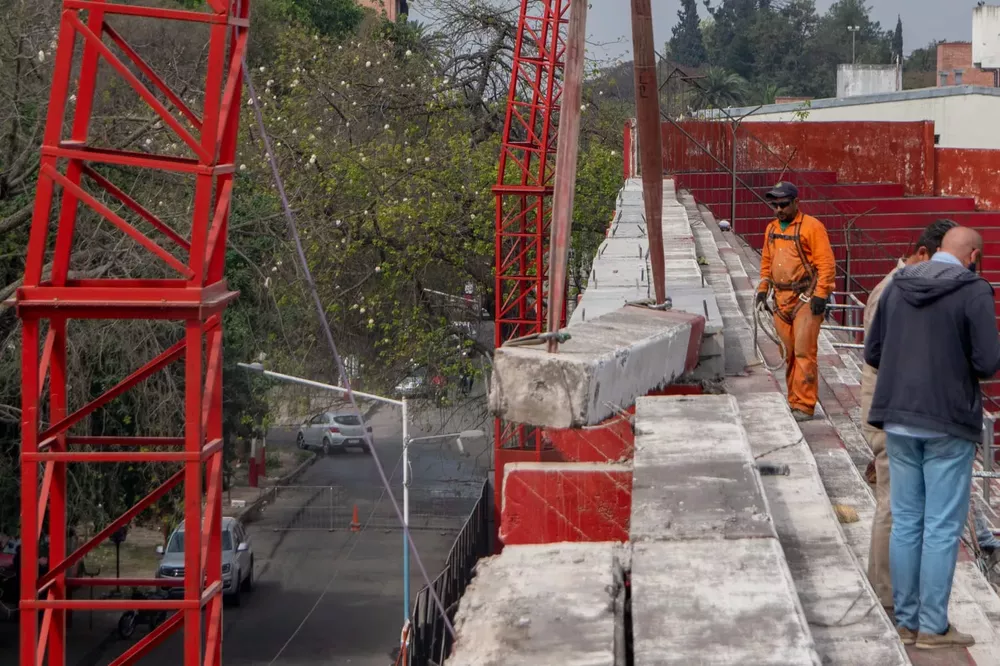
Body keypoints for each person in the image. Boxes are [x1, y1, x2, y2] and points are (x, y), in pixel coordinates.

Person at [865, 226, 1000, 649]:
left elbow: (873, 352)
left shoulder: (897, 284)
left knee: (906, 521)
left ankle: (906, 621)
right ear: (973, 255)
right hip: (947, 421)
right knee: (941, 527)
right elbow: (987, 362)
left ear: (938, 250)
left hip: (898, 418)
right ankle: (932, 627)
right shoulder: (974, 290)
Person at [860, 219, 957, 613]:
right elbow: (881, 354)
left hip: (900, 406)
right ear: (922, 254)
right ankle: (886, 592)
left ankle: (899, 589)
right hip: (890, 408)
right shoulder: (893, 290)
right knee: (894, 503)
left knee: (906, 506)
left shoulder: (908, 287)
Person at [755, 181, 836, 421]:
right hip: (780, 299)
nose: (779, 209)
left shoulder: (812, 227)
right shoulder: (771, 229)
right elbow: (767, 263)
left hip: (805, 298)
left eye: (783, 204)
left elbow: (826, 264)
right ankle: (793, 399)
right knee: (787, 352)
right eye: (775, 205)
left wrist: (821, 294)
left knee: (803, 352)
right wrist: (762, 289)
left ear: (795, 203)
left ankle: (804, 404)